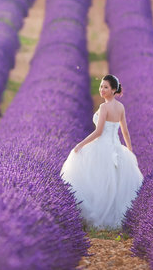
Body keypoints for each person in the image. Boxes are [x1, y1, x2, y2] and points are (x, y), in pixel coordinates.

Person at [60, 74, 144, 230]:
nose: (102, 90)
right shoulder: (120, 107)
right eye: (101, 86)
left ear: (113, 90)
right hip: (117, 148)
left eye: (106, 87)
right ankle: (117, 219)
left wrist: (81, 144)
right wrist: (130, 152)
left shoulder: (104, 107)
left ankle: (100, 218)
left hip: (102, 147)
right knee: (113, 184)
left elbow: (98, 132)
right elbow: (125, 132)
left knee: (98, 182)